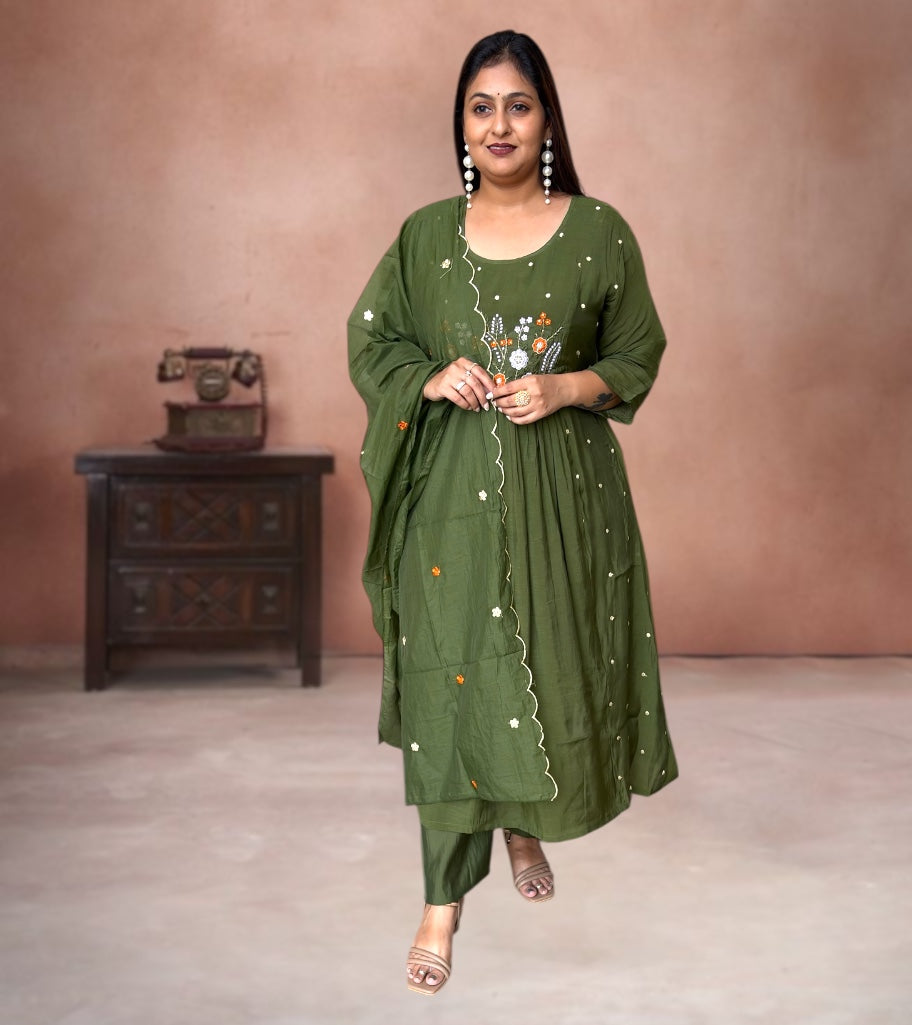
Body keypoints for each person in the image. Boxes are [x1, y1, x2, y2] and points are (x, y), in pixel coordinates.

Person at [348, 29, 678, 996]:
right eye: (481, 105)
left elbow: (637, 352)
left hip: (560, 502)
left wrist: (569, 387)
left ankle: (525, 818)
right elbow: (375, 345)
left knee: (540, 662)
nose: (499, 123)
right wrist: (430, 372)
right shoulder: (421, 238)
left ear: (546, 121)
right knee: (455, 688)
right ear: (461, 122)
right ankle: (439, 908)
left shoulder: (599, 231)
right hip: (446, 504)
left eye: (518, 105)